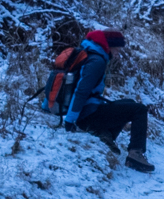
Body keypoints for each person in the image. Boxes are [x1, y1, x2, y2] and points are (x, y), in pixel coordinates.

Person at [61, 28, 154, 172]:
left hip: (89, 111)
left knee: (130, 103)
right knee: (140, 110)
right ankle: (135, 154)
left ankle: (105, 135)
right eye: (116, 50)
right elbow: (81, 91)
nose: (117, 55)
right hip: (86, 116)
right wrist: (69, 120)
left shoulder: (92, 54)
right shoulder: (97, 61)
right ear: (108, 46)